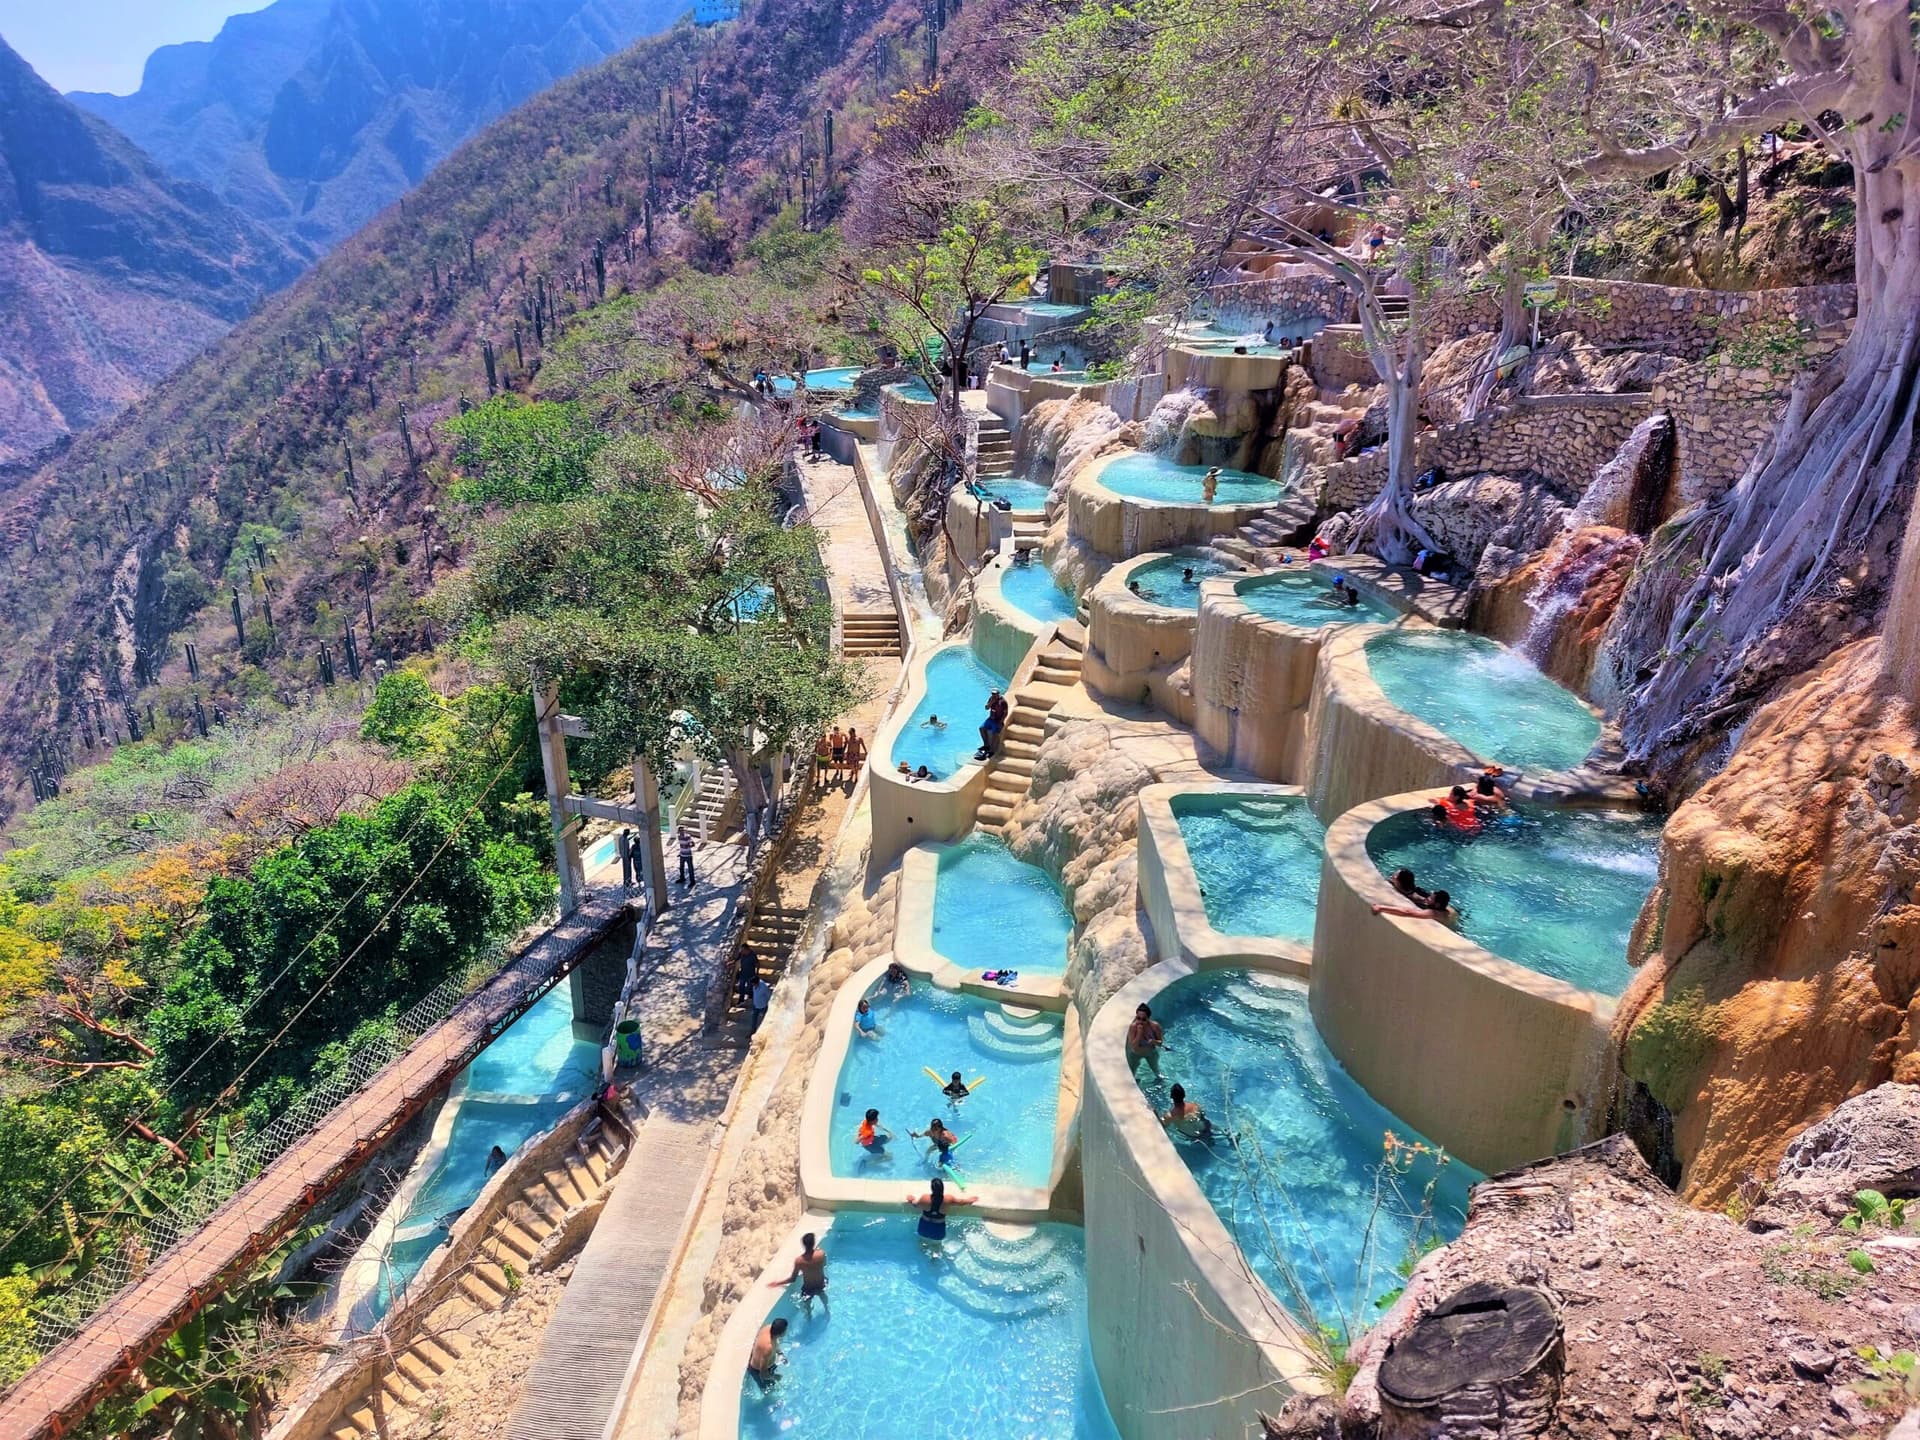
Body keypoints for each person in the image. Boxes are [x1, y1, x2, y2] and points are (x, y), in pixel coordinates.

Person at [768, 1232, 830, 1312]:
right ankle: (826, 1309)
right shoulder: (821, 1254)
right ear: (813, 1243)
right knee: (823, 1296)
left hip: (808, 1288)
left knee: (807, 1304)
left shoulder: (799, 1261)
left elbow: (792, 1279)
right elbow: (824, 1264)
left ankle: (809, 1315)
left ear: (803, 1245)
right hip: (821, 1284)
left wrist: (777, 1283)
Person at [909, 1176, 977, 1241]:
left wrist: (911, 1200)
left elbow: (916, 1205)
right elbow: (961, 1203)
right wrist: (969, 1200)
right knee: (936, 1247)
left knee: (922, 1244)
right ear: (942, 1188)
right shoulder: (948, 1199)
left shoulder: (925, 1198)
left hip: (923, 1227)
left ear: (932, 1188)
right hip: (938, 1230)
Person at [748, 1317, 788, 1390]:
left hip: (766, 1364)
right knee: (770, 1390)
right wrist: (775, 1377)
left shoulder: (768, 1328)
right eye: (786, 1329)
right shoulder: (768, 1348)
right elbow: (763, 1374)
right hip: (757, 1370)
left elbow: (775, 1343)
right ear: (781, 1333)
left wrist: (780, 1353)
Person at [1126, 1003, 1164, 1077]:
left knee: (1156, 1071)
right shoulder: (1133, 1027)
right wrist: (1139, 1033)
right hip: (1135, 1054)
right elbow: (1134, 1046)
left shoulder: (1155, 1026)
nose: (1140, 1021)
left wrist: (1154, 1041)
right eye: (1138, 1018)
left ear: (1148, 1018)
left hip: (1151, 1053)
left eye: (1144, 1019)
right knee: (1132, 1073)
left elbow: (1160, 1043)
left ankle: (1161, 1083)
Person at [1372, 888, 1455, 922]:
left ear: (1437, 905)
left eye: (1430, 898)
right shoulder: (1447, 908)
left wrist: (1381, 907)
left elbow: (1408, 912)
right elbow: (1424, 900)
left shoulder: (1434, 913)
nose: (1427, 898)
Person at [976, 690, 1008, 760]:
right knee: (981, 728)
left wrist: (1000, 722)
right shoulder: (991, 699)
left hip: (997, 721)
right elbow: (986, 708)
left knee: (994, 734)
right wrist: (991, 702)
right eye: (992, 694)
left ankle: (992, 750)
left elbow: (1005, 713)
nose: (993, 695)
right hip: (990, 719)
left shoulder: (1003, 702)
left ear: (998, 694)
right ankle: (986, 745)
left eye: (995, 694)